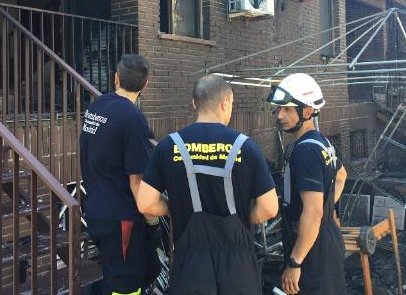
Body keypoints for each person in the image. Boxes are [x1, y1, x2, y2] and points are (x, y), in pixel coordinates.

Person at [136, 75, 279, 295]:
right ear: (226, 103)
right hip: (239, 270)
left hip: (191, 270)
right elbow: (269, 207)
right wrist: (242, 214)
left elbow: (145, 203)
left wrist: (177, 207)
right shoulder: (246, 147)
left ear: (195, 104)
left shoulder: (169, 147)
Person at [79, 54, 160, 295]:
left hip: (95, 209)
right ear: (145, 85)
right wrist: (152, 218)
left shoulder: (97, 105)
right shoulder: (134, 120)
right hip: (121, 219)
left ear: (116, 78)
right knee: (126, 286)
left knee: (140, 270)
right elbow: (137, 182)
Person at [267, 73, 348, 295]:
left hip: (312, 253)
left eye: (288, 109)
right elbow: (341, 175)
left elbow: (312, 213)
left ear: (308, 111)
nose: (280, 116)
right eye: (279, 109)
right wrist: (327, 208)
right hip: (327, 240)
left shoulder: (305, 151)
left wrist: (295, 262)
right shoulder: (322, 142)